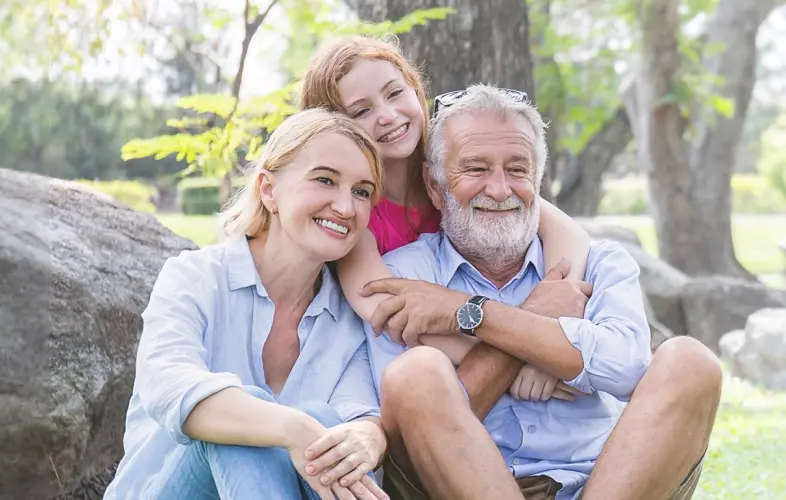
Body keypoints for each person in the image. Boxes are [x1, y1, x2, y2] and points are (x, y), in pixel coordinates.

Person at [359, 84, 723, 500]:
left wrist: (471, 313)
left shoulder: (598, 263)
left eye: (517, 170)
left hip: (608, 485)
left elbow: (625, 368)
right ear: (435, 186)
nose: (499, 189)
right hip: (468, 487)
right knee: (415, 372)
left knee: (692, 361)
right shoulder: (404, 275)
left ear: (538, 179)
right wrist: (532, 334)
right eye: (476, 169)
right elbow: (416, 421)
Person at [104, 109, 390, 500]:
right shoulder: (194, 277)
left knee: (330, 428)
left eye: (362, 191)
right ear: (269, 190)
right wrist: (292, 428)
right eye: (325, 180)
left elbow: (359, 412)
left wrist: (369, 436)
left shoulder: (347, 317)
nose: (345, 206)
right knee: (242, 418)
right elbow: (171, 388)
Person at [300, 35, 591, 402]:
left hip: (485, 331)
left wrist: (555, 309)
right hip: (409, 369)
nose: (388, 116)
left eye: (394, 93)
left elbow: (569, 234)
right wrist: (520, 359)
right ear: (337, 129)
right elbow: (386, 311)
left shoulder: (455, 171)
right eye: (361, 111)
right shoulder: (355, 210)